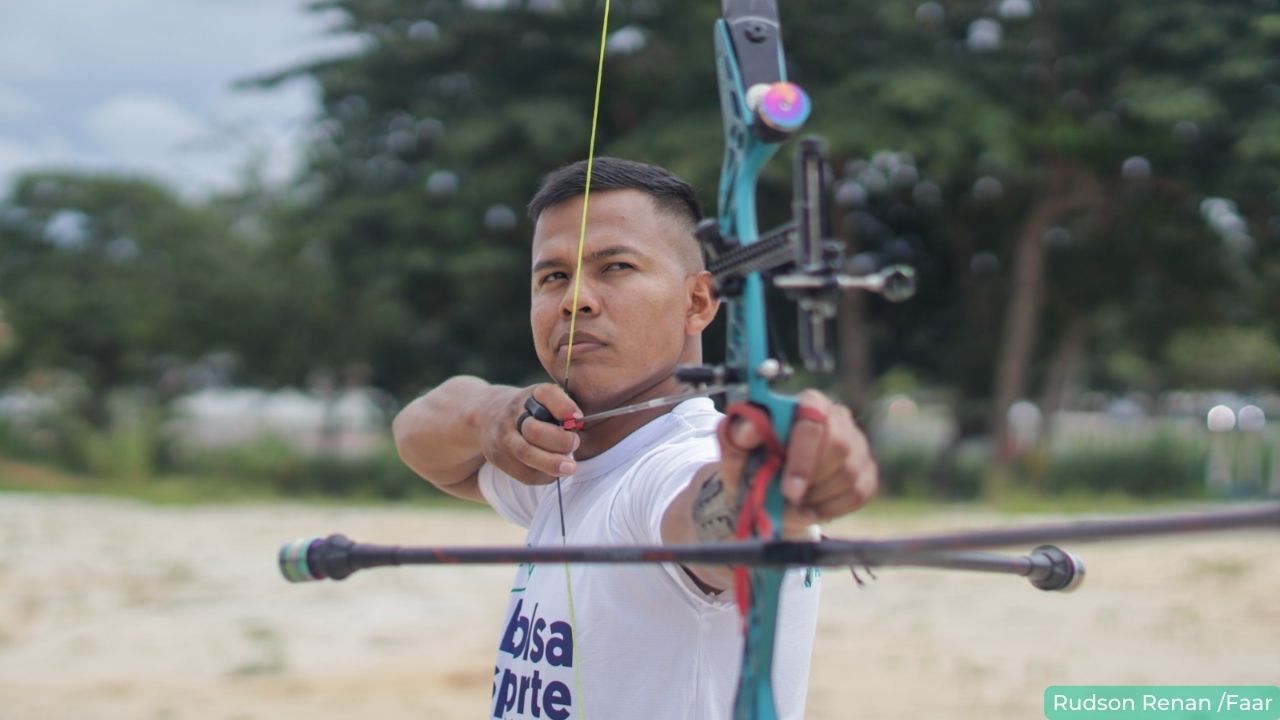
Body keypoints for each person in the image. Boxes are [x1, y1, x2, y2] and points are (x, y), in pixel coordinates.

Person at [393, 157, 878, 720]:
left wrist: (773, 492)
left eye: (615, 267)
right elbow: (416, 434)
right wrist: (489, 414)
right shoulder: (565, 463)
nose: (576, 300)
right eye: (553, 277)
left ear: (697, 302)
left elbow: (710, 517)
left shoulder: (675, 462)